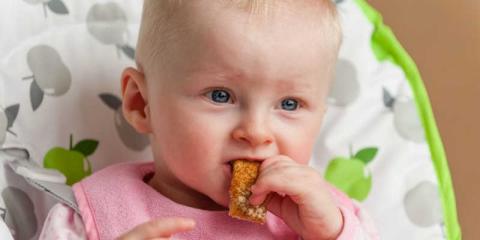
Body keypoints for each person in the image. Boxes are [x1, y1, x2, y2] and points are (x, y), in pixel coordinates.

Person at [40, 0, 378, 239]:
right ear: (142, 103)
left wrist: (332, 234)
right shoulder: (91, 218)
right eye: (220, 95)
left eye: (289, 103)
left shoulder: (327, 220)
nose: (257, 132)